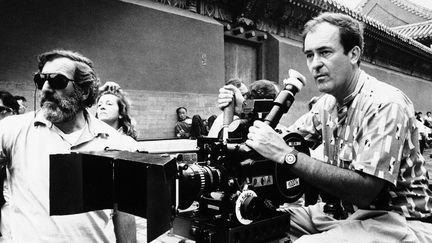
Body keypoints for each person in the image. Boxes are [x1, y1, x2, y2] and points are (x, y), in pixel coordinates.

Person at [219, 12, 432, 242]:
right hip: (343, 215)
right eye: (309, 55)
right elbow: (283, 139)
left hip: (398, 221)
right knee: (259, 221)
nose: (315, 64)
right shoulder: (327, 104)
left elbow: (364, 191)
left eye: (325, 52)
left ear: (354, 54)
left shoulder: (386, 102)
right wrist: (243, 112)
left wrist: (287, 155)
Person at [0, 49, 137, 242]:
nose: (46, 88)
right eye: (41, 80)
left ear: (85, 91)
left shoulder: (116, 142)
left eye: (58, 81)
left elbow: (124, 213)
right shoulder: (11, 130)